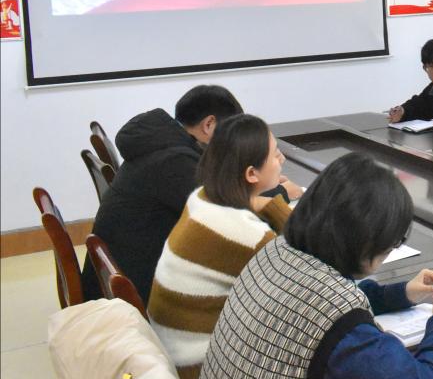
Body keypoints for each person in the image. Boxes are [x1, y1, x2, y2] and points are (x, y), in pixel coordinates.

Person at [192, 153, 433, 379]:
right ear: (365, 240)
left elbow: (321, 305)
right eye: (392, 242)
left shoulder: (277, 249)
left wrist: (401, 293)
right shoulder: (340, 316)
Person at [81, 85, 297, 305]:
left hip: (121, 279)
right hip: (132, 297)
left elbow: (215, 189)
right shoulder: (172, 161)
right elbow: (226, 210)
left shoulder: (162, 144)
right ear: (209, 124)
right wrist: (279, 191)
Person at [148, 114, 293, 379]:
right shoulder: (248, 236)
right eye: (275, 155)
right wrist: (278, 208)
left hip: (171, 355)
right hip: (202, 376)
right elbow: (307, 272)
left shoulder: (202, 197)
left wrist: (263, 203)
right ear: (251, 174)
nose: (282, 159)